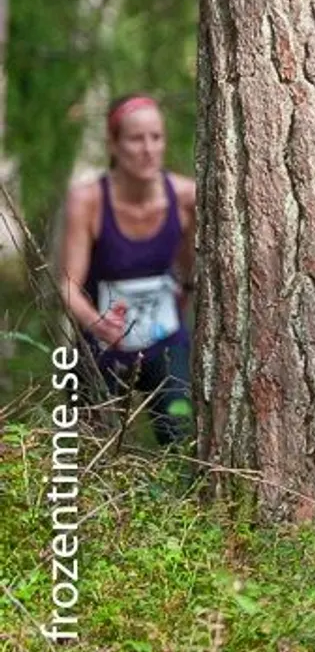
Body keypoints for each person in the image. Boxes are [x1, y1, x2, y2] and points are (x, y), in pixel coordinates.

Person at [57, 94, 197, 449]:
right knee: (87, 452)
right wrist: (97, 323)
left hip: (165, 339)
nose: (148, 149)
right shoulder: (87, 200)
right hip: (100, 342)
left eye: (156, 137)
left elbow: (190, 268)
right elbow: (68, 285)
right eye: (136, 139)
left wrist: (187, 290)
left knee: (182, 441)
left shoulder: (185, 196)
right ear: (114, 145)